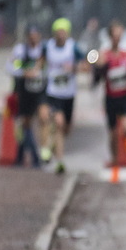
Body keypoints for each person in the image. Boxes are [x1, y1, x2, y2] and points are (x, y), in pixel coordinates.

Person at [93, 18, 126, 167]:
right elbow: (96, 79)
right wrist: (101, 68)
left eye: (120, 35)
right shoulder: (104, 55)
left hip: (125, 97)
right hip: (111, 98)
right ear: (110, 36)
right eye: (115, 35)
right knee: (113, 132)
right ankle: (114, 158)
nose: (118, 38)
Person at [42, 18, 81, 173]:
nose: (61, 35)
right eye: (58, 32)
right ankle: (59, 161)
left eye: (63, 32)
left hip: (69, 93)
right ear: (54, 33)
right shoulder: (47, 47)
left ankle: (53, 147)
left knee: (66, 129)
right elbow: (39, 62)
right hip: (53, 92)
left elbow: (87, 63)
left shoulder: (73, 48)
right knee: (58, 123)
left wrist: (74, 68)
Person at [10, 25, 48, 167]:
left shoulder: (45, 50)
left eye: (36, 35)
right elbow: (10, 66)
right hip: (25, 92)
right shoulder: (20, 50)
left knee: (43, 117)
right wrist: (23, 72)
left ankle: (42, 152)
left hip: (41, 91)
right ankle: (23, 156)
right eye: (31, 36)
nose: (33, 38)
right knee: (25, 124)